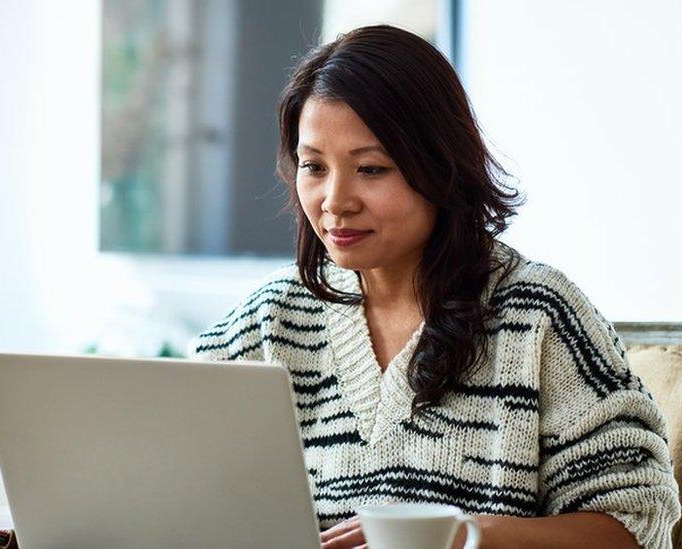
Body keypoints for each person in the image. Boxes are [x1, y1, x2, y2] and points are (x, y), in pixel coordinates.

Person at [187, 24, 680, 549]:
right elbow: (171, 488)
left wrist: (468, 534)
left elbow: (635, 523)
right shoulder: (267, 321)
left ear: (440, 165)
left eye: (371, 168)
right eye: (314, 166)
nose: (335, 200)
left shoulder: (539, 316)